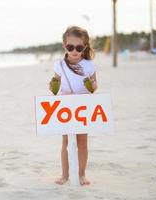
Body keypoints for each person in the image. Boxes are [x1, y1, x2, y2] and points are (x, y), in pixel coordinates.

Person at [49, 25, 98, 186]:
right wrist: (52, 86)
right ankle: (64, 175)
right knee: (65, 143)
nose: (74, 51)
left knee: (82, 142)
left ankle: (82, 174)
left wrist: (92, 85)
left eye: (79, 47)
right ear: (65, 46)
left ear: (84, 47)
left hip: (82, 107)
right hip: (65, 107)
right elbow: (55, 87)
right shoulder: (59, 66)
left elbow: (94, 87)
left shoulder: (89, 66)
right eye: (70, 47)